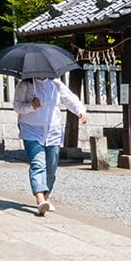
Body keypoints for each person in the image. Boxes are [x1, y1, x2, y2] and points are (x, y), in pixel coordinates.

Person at [15, 75, 88, 216]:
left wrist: (80, 111)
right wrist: (31, 106)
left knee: (52, 166)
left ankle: (46, 198)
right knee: (38, 163)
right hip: (31, 130)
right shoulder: (25, 84)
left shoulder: (56, 84)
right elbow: (17, 106)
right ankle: (40, 199)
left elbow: (70, 99)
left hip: (53, 131)